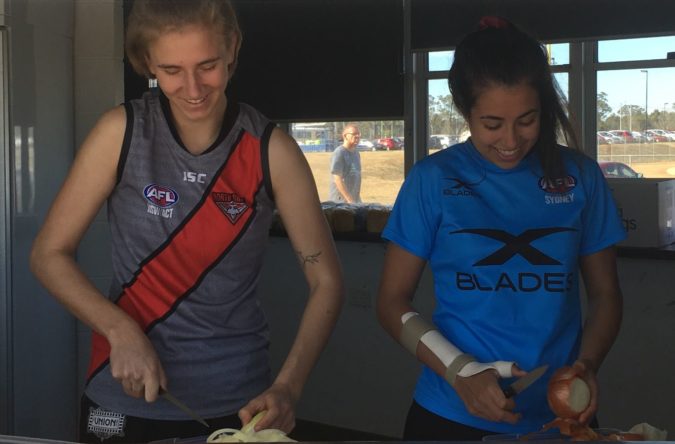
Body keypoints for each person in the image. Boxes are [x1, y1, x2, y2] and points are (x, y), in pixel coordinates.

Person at [29, 0, 344, 442]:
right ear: (147, 63)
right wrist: (119, 329)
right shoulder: (120, 132)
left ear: (232, 48)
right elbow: (48, 254)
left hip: (237, 403)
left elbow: (327, 281)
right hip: (120, 399)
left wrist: (289, 387)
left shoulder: (271, 151)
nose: (193, 88)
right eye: (171, 70)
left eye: (208, 65)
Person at [376, 17, 625, 441]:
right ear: (465, 111)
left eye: (527, 120)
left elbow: (606, 296)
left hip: (562, 418)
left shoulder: (580, 177)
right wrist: (460, 371)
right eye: (492, 124)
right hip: (451, 415)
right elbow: (391, 302)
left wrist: (586, 365)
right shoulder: (432, 179)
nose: (510, 141)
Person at [328, 124, 362, 203]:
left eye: (359, 134)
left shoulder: (356, 153)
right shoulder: (339, 153)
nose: (357, 136)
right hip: (340, 202)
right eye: (354, 134)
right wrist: (349, 200)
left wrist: (356, 201)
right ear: (345, 136)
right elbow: (337, 179)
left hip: (354, 201)